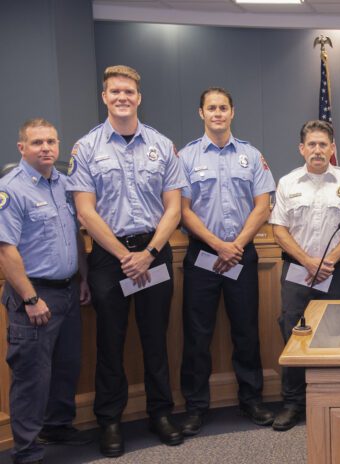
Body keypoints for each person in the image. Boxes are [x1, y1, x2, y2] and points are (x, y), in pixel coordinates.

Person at [66, 65, 187, 457]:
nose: (122, 97)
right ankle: (110, 421)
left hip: (153, 251)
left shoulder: (162, 145)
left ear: (139, 98)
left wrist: (148, 254)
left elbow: (173, 208)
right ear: (105, 97)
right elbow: (85, 211)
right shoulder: (86, 149)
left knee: (156, 339)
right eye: (115, 92)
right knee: (110, 342)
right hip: (108, 256)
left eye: (129, 92)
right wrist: (124, 257)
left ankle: (160, 413)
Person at [177, 87, 277, 436]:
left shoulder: (251, 155)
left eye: (223, 107)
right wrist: (218, 244)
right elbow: (182, 210)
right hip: (203, 255)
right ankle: (195, 406)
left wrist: (235, 245)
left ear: (232, 112)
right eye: (211, 108)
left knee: (246, 331)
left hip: (242, 254)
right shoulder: (187, 157)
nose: (217, 113)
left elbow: (262, 206)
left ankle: (251, 400)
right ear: (201, 113)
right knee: (197, 334)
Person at [0, 119, 92, 464]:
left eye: (51, 142)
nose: (46, 148)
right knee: (31, 375)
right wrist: (30, 298)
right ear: (21, 147)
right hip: (35, 294)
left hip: (68, 290)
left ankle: (57, 424)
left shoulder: (64, 185)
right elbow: (6, 250)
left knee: (67, 365)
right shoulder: (11, 190)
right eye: (37, 142)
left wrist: (82, 278)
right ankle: (25, 449)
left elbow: (75, 239)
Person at [269, 120, 340, 431]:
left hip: (336, 272)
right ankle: (293, 403)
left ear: (332, 148)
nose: (318, 150)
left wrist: (330, 259)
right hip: (297, 271)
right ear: (302, 149)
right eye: (312, 144)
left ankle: (334, 401)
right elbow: (278, 228)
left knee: (339, 334)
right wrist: (308, 260)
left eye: (323, 145)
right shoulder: (287, 183)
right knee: (294, 334)